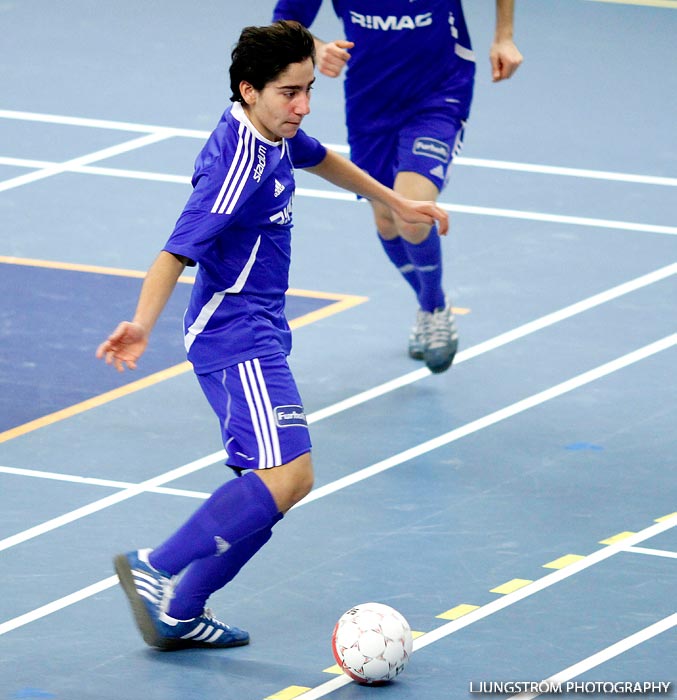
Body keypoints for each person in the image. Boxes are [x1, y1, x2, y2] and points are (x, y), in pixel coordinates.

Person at [96, 20, 448, 651]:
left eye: (309, 90)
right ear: (249, 88)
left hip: (260, 329)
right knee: (289, 477)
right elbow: (174, 253)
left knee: (268, 489)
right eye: (292, 93)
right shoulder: (237, 166)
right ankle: (157, 566)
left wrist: (393, 200)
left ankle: (180, 613)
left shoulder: (271, 128)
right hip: (235, 335)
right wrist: (141, 325)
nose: (304, 106)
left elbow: (323, 158)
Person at [272, 0, 523, 374]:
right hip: (370, 99)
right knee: (387, 220)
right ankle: (428, 303)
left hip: (439, 92)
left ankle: (435, 308)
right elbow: (286, 21)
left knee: (411, 212)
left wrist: (504, 37)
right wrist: (318, 48)